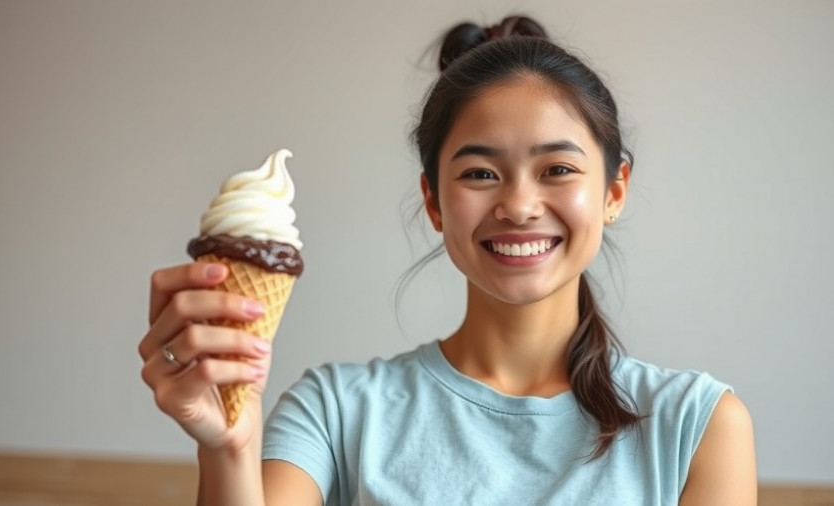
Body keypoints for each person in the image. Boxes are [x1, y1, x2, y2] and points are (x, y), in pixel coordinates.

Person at [138, 15, 757, 506]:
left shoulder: (698, 426)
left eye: (558, 170)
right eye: (480, 173)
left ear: (613, 191)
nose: (517, 205)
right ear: (433, 199)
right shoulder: (334, 409)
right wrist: (228, 446)